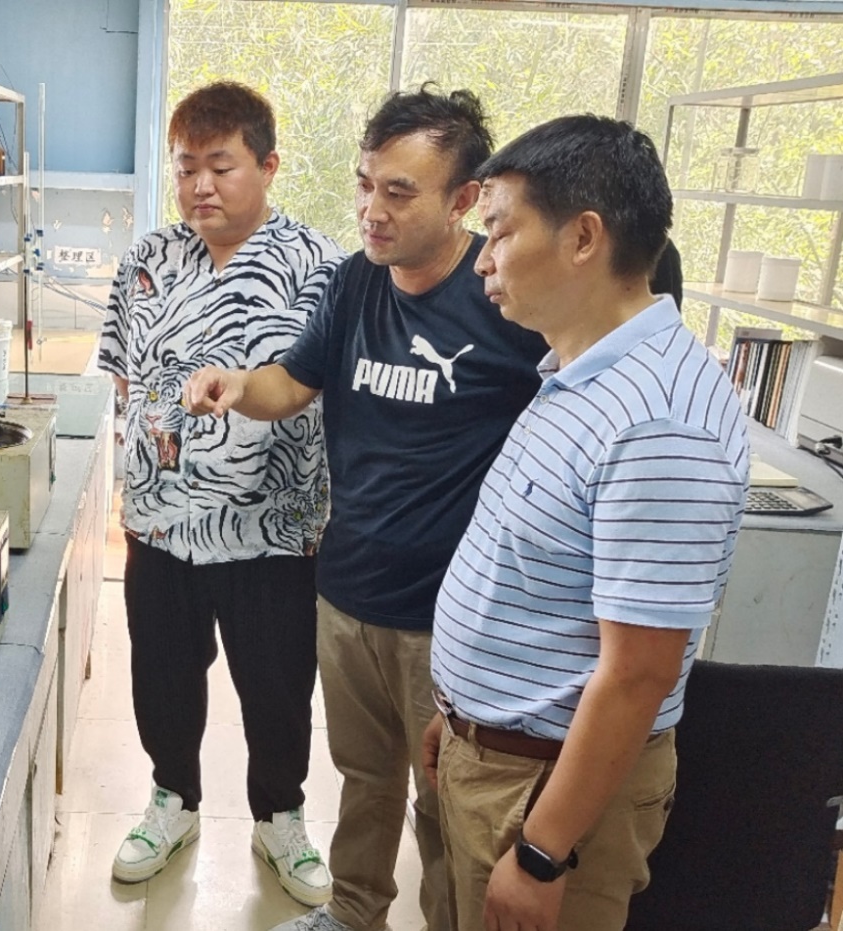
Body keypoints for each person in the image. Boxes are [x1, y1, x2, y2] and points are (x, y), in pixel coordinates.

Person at [184, 86, 548, 931]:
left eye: (398, 192)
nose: (370, 210)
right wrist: (238, 385)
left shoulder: (503, 299)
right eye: (364, 184)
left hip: (452, 616)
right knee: (363, 778)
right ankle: (352, 913)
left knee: (447, 803)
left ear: (463, 200)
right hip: (348, 590)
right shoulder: (355, 281)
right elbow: (293, 380)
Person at [423, 114, 749, 931]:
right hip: (498, 755)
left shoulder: (658, 422)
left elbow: (637, 673)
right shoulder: (581, 372)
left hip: (546, 796)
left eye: (500, 230)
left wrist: (541, 851)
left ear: (582, 237)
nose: (482, 258)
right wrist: (459, 710)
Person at [98, 80, 345, 907]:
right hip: (160, 522)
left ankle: (279, 815)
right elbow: (124, 381)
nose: (200, 184)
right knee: (163, 675)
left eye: (220, 165)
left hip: (275, 527)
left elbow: (326, 392)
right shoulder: (146, 259)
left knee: (277, 685)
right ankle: (172, 799)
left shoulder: (322, 268)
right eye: (185, 167)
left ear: (267, 166)